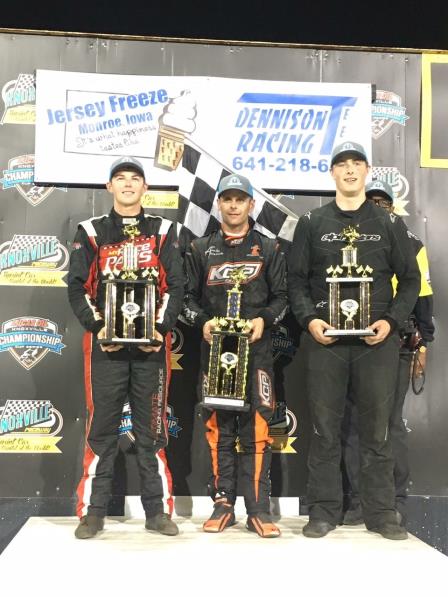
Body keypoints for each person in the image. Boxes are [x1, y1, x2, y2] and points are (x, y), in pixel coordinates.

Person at [287, 142, 420, 540]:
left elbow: (411, 281)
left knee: (377, 430)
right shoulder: (311, 222)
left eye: (356, 164)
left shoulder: (388, 223)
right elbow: (295, 281)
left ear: (367, 171)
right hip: (325, 342)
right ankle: (323, 511)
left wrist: (391, 322)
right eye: (341, 164)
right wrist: (310, 320)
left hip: (377, 344)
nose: (349, 170)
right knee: (325, 430)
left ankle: (381, 513)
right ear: (332, 173)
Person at [68, 156, 184, 539]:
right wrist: (99, 327)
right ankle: (93, 512)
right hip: (105, 350)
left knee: (151, 432)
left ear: (145, 188)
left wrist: (158, 330)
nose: (128, 184)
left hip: (151, 350)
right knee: (101, 430)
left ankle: (157, 512)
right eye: (121, 178)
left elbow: (175, 288)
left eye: (136, 178)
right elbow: (77, 287)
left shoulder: (164, 230)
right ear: (110, 187)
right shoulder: (90, 231)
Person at [183, 174, 287, 538]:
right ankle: (223, 503)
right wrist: (203, 323)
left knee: (257, 430)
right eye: (226, 199)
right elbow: (185, 300)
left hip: (257, 355)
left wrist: (264, 319)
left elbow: (282, 299)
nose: (232, 205)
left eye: (239, 199)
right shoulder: (200, 248)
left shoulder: (269, 249)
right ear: (218, 204)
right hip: (216, 354)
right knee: (218, 430)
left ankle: (258, 508)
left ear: (250, 205)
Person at [342, 179, 435, 526]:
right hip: (353, 339)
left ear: (393, 207)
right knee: (352, 425)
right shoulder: (347, 240)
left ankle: (395, 500)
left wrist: (423, 339)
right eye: (372, 202)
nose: (378, 208)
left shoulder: (411, 242)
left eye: (384, 203)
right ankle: (357, 501)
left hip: (396, 342)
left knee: (390, 423)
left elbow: (422, 294)